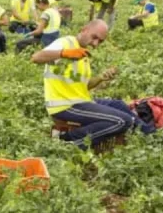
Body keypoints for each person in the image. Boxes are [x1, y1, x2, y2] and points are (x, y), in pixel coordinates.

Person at [30, 19, 132, 150]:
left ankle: (146, 130)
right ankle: (68, 141)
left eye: (100, 41)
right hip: (64, 105)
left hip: (81, 101)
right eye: (94, 37)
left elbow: (84, 86)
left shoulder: (82, 53)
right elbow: (36, 57)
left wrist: (101, 77)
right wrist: (65, 53)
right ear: (84, 30)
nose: (95, 43)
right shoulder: (66, 43)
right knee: (122, 121)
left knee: (120, 105)